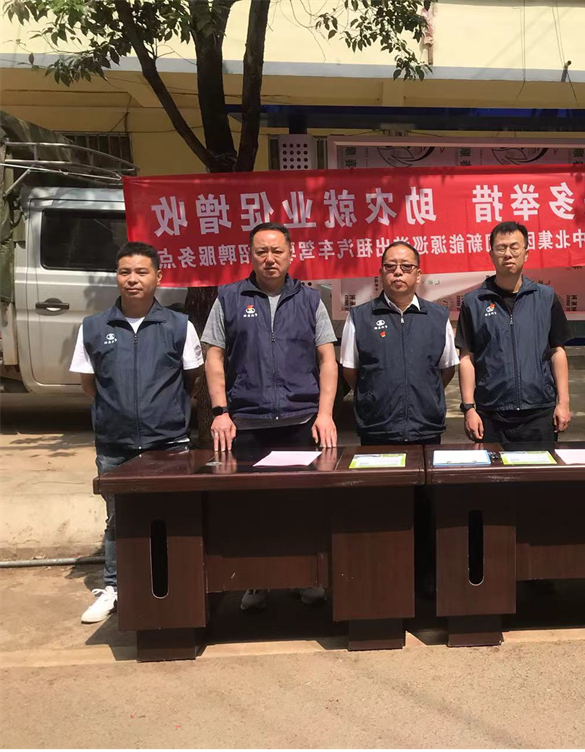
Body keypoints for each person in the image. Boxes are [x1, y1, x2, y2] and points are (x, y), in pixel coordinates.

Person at [201, 221, 338, 610]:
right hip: (247, 423)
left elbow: (327, 359)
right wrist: (220, 411)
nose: (270, 258)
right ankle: (257, 582)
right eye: (261, 251)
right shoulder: (229, 298)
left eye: (277, 250)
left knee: (302, 506)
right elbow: (214, 356)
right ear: (250, 255)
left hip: (301, 421)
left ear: (291, 254)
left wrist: (325, 414)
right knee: (253, 509)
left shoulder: (310, 300)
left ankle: (307, 578)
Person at [71, 241, 203, 623]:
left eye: (141, 272)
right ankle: (115, 587)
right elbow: (89, 385)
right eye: (125, 272)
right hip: (115, 443)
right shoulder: (94, 327)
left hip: (168, 443)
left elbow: (192, 379)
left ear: (158, 277)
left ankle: (176, 583)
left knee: (173, 516)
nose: (132, 279)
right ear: (116, 276)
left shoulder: (178, 326)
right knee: (118, 519)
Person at [456, 221, 571, 444]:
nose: (508, 254)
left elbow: (557, 351)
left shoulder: (545, 297)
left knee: (540, 466)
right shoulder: (474, 302)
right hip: (491, 413)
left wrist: (563, 402)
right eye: (501, 248)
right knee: (494, 468)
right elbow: (467, 358)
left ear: (526, 253)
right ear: (491, 254)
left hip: (539, 411)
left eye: (514, 247)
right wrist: (469, 408)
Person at [340, 241, 457, 445]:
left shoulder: (438, 317)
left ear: (418, 275)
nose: (398, 272)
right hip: (377, 428)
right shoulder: (360, 317)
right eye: (390, 266)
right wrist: (373, 395)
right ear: (381, 273)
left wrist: (425, 394)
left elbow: (447, 369)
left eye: (406, 266)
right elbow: (351, 371)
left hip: (426, 427)